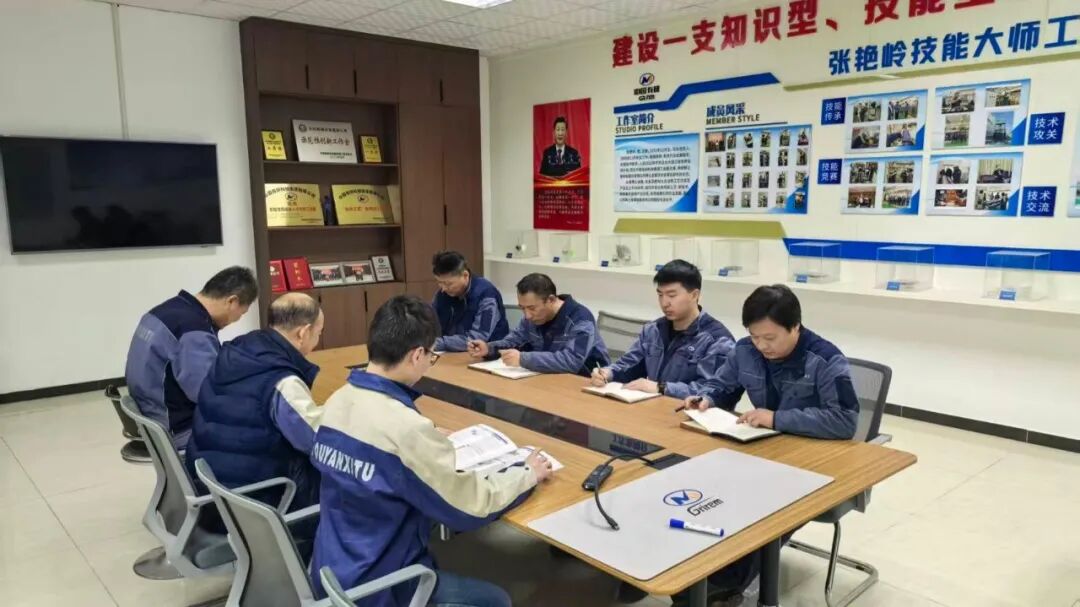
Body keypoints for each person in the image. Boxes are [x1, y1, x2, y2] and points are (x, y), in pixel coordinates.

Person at [309, 295, 553, 607]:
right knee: (497, 600)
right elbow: (470, 507)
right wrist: (526, 473)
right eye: (431, 356)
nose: (428, 364)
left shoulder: (338, 400)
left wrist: (424, 436)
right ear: (416, 355)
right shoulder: (406, 429)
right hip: (380, 585)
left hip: (330, 567)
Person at [674, 285, 859, 605]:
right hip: (761, 451)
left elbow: (845, 421)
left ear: (795, 326)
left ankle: (723, 585)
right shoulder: (745, 350)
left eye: (770, 338)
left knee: (768, 507)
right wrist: (706, 398)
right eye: (755, 336)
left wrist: (776, 418)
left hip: (811, 464)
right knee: (707, 490)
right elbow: (722, 385)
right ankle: (697, 567)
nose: (761, 346)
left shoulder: (826, 360)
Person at [185, 293, 325, 537]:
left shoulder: (238, 349)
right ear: (303, 333)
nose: (318, 339)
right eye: (319, 332)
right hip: (254, 506)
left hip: (212, 489)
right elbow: (319, 443)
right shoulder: (283, 382)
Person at [125, 266, 257, 449]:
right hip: (175, 429)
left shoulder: (165, 310)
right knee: (262, 427)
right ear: (232, 301)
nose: (236, 320)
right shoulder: (193, 330)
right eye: (241, 314)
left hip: (149, 415)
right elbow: (208, 394)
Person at [590, 260, 735, 399]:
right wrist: (608, 373)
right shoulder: (653, 330)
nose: (664, 303)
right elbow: (630, 366)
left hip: (689, 412)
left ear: (694, 295)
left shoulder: (718, 341)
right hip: (654, 407)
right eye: (660, 295)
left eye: (672, 295)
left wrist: (661, 388)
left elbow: (715, 392)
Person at [468, 273, 609, 376]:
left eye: (532, 308)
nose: (527, 316)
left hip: (585, 383)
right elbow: (513, 341)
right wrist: (489, 348)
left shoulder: (581, 319)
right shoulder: (532, 319)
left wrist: (523, 359)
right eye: (522, 308)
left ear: (551, 300)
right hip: (546, 379)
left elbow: (571, 361)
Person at [431, 251, 509, 352]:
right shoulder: (443, 294)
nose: (443, 288)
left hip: (487, 354)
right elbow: (429, 323)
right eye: (439, 283)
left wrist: (435, 343)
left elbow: (476, 339)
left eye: (448, 284)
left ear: (465, 275)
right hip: (450, 352)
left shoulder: (486, 295)